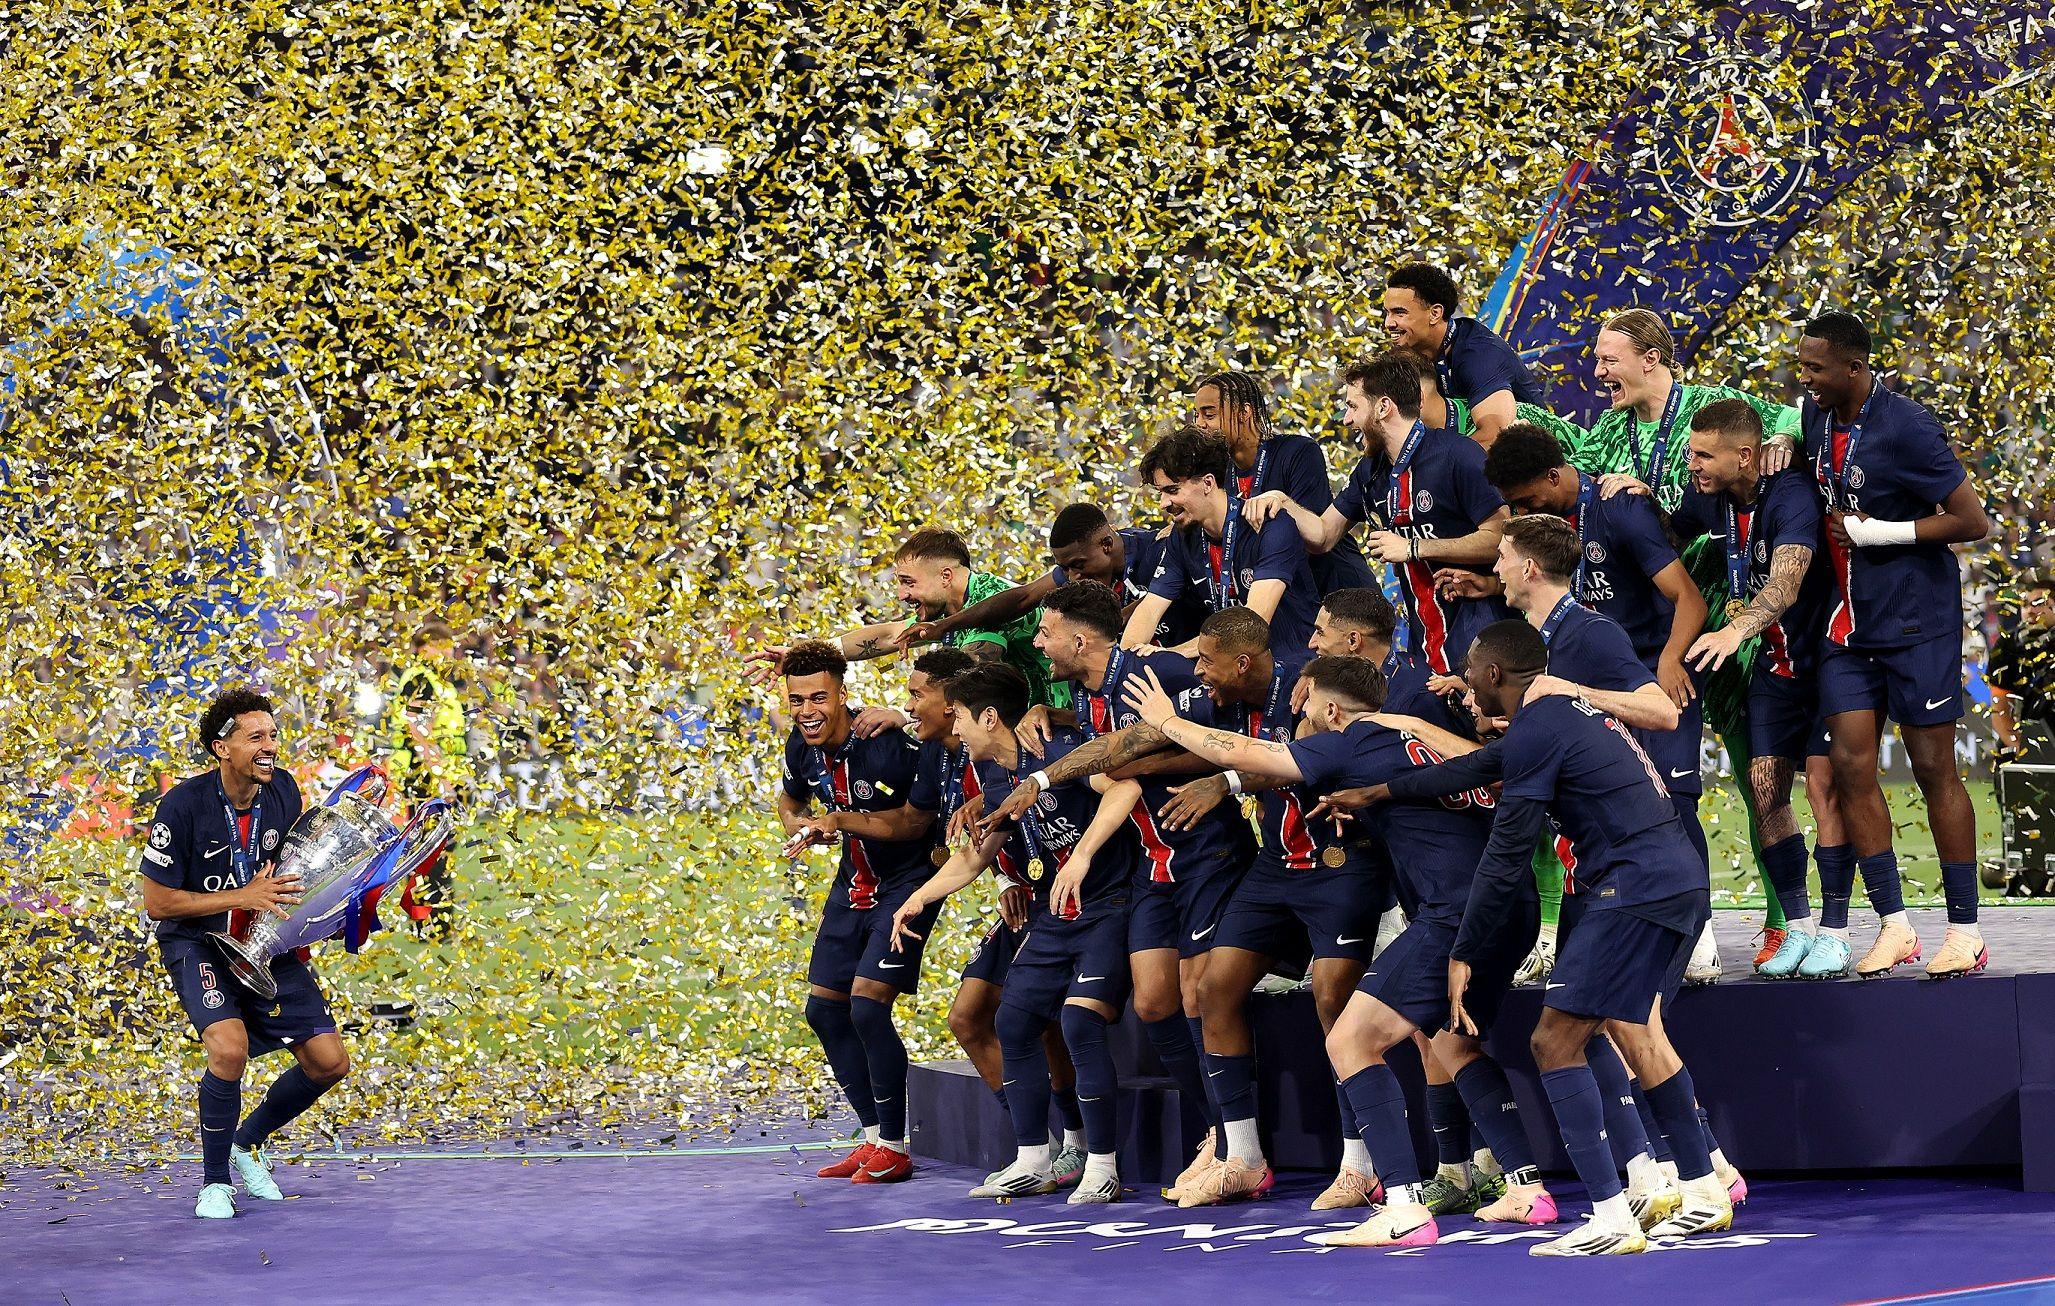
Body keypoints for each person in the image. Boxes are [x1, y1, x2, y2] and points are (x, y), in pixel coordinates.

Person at [1126, 655, 1559, 1246]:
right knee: (1450, 1041)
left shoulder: (1347, 740)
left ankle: (1402, 1206)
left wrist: (1165, 720)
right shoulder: (1410, 735)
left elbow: (1242, 753)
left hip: (1456, 914)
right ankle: (1527, 1190)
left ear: (1332, 709)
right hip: (1513, 905)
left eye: (1305, 706)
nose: (1297, 715)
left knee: (1350, 1038)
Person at [1441, 622, 1733, 1255]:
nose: (1462, 681)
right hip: (1673, 876)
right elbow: (1473, 767)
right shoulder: (1567, 712)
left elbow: (1507, 851)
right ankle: (1705, 1187)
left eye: (1468, 670)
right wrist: (1387, 784)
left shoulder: (1539, 726)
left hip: (1628, 886)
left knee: (1555, 1039)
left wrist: (1465, 949)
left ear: (1494, 675)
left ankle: (1609, 1213)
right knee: (1637, 1031)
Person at [980, 581, 1253, 1202]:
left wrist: (1094, 766)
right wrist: (1062, 723)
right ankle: (1218, 1130)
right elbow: (1111, 745)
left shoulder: (1159, 671)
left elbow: (1184, 741)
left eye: (1046, 633)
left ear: (1081, 638)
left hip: (1205, 850)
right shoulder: (1082, 693)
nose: (1039, 643)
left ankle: (1239, 1146)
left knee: (1197, 997)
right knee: (1155, 1004)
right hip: (1152, 869)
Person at [1148, 608, 1378, 1209]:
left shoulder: (1317, 688)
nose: (1199, 673)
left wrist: (1220, 778)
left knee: (1335, 1002)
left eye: (1207, 661)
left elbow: (1291, 761)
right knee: (1211, 989)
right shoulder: (1237, 695)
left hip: (1340, 865)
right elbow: (1259, 759)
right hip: (1274, 865)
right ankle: (1243, 1157)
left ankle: (1361, 1163)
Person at [892, 663, 1148, 1203]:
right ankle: (1033, 1158)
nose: (954, 728)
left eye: (960, 716)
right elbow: (978, 855)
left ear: (989, 717)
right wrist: (917, 899)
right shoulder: (994, 776)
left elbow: (1124, 787)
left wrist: (1081, 856)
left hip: (1109, 903)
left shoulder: (1057, 750)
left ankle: (1102, 1166)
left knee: (1078, 1023)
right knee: (1013, 1019)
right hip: (1056, 913)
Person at [1794, 311, 1993, 977]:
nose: (1805, 378)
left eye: (1814, 367)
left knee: (1934, 769)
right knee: (1850, 769)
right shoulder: (1813, 418)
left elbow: (1972, 521)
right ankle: (1893, 925)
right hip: (1846, 626)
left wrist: (1880, 533)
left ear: (1852, 368)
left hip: (1915, 625)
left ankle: (1963, 930)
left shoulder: (1906, 425)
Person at [140, 687, 351, 1219]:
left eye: (273, 735)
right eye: (256, 737)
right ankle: (215, 1183)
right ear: (221, 748)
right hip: (199, 941)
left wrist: (322, 912)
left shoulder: (283, 791)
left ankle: (245, 1142)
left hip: (263, 938)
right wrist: (242, 896)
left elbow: (290, 875)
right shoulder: (182, 806)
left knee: (329, 1063)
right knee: (228, 1049)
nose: (270, 746)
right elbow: (158, 902)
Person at [1663, 401, 1844, 978]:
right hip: (1773, 668)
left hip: (1826, 664)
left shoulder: (1788, 494)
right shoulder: (1707, 496)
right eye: (1691, 452)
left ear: (1745, 455)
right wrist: (1630, 496)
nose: (1692, 464)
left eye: (1703, 454)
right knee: (1765, 789)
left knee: (1822, 789)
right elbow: (1665, 537)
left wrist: (1734, 628)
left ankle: (1837, 929)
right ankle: (1796, 926)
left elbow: (1786, 583)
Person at [778, 641, 940, 1185]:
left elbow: (916, 825)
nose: (807, 711)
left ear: (843, 693)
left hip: (909, 883)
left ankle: (895, 1146)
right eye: (797, 699)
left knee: (868, 1009)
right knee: (824, 1011)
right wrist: (801, 827)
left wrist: (840, 821)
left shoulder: (887, 743)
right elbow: (791, 800)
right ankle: (872, 1139)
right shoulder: (799, 748)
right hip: (853, 886)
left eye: (818, 697)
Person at [1244, 352, 1509, 676]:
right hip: (1422, 640)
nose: (1346, 419)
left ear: (1383, 407)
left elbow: (1500, 537)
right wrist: (1283, 501)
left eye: (1353, 406)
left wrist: (1414, 548)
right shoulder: (1371, 471)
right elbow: (1323, 536)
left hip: (1480, 632)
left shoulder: (1457, 454)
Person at [750, 528, 1063, 708]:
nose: (901, 595)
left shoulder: (989, 600)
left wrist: (903, 717)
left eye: (909, 583)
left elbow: (966, 675)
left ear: (945, 576)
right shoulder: (951, 608)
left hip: (1057, 723)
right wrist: (803, 654)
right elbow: (889, 635)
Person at [896, 502, 1206, 656]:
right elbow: (1023, 597)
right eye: (1064, 568)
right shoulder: (1082, 568)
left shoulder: (1160, 554)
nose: (1072, 577)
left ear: (1107, 546)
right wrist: (943, 625)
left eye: (1077, 565)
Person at [1125, 425, 1323, 660]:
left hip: (1290, 667)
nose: (1163, 503)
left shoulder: (1269, 524)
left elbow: (1250, 626)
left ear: (1208, 483)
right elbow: (1149, 608)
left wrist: (1168, 655)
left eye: (1172, 490)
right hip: (1227, 673)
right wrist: (1129, 658)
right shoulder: (1183, 537)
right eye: (1161, 493)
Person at [1190, 369, 1377, 595]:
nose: (1199, 423)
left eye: (1209, 415)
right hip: (1286, 601)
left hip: (1338, 591)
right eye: (1196, 415)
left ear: (1244, 412)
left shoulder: (1298, 452)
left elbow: (1312, 538)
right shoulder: (1219, 475)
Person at [1381, 263, 1547, 446]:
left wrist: (1433, 469)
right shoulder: (1412, 357)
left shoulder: (1480, 354)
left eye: (1399, 313)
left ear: (1435, 314)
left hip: (1540, 463)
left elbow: (1494, 437)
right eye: (1387, 313)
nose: (1388, 323)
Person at [1990, 570, 2055, 762]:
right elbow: (2000, 707)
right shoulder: (2008, 645)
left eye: (2039, 604)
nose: (2031, 611)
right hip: (2028, 738)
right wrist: (2020, 748)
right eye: (2025, 605)